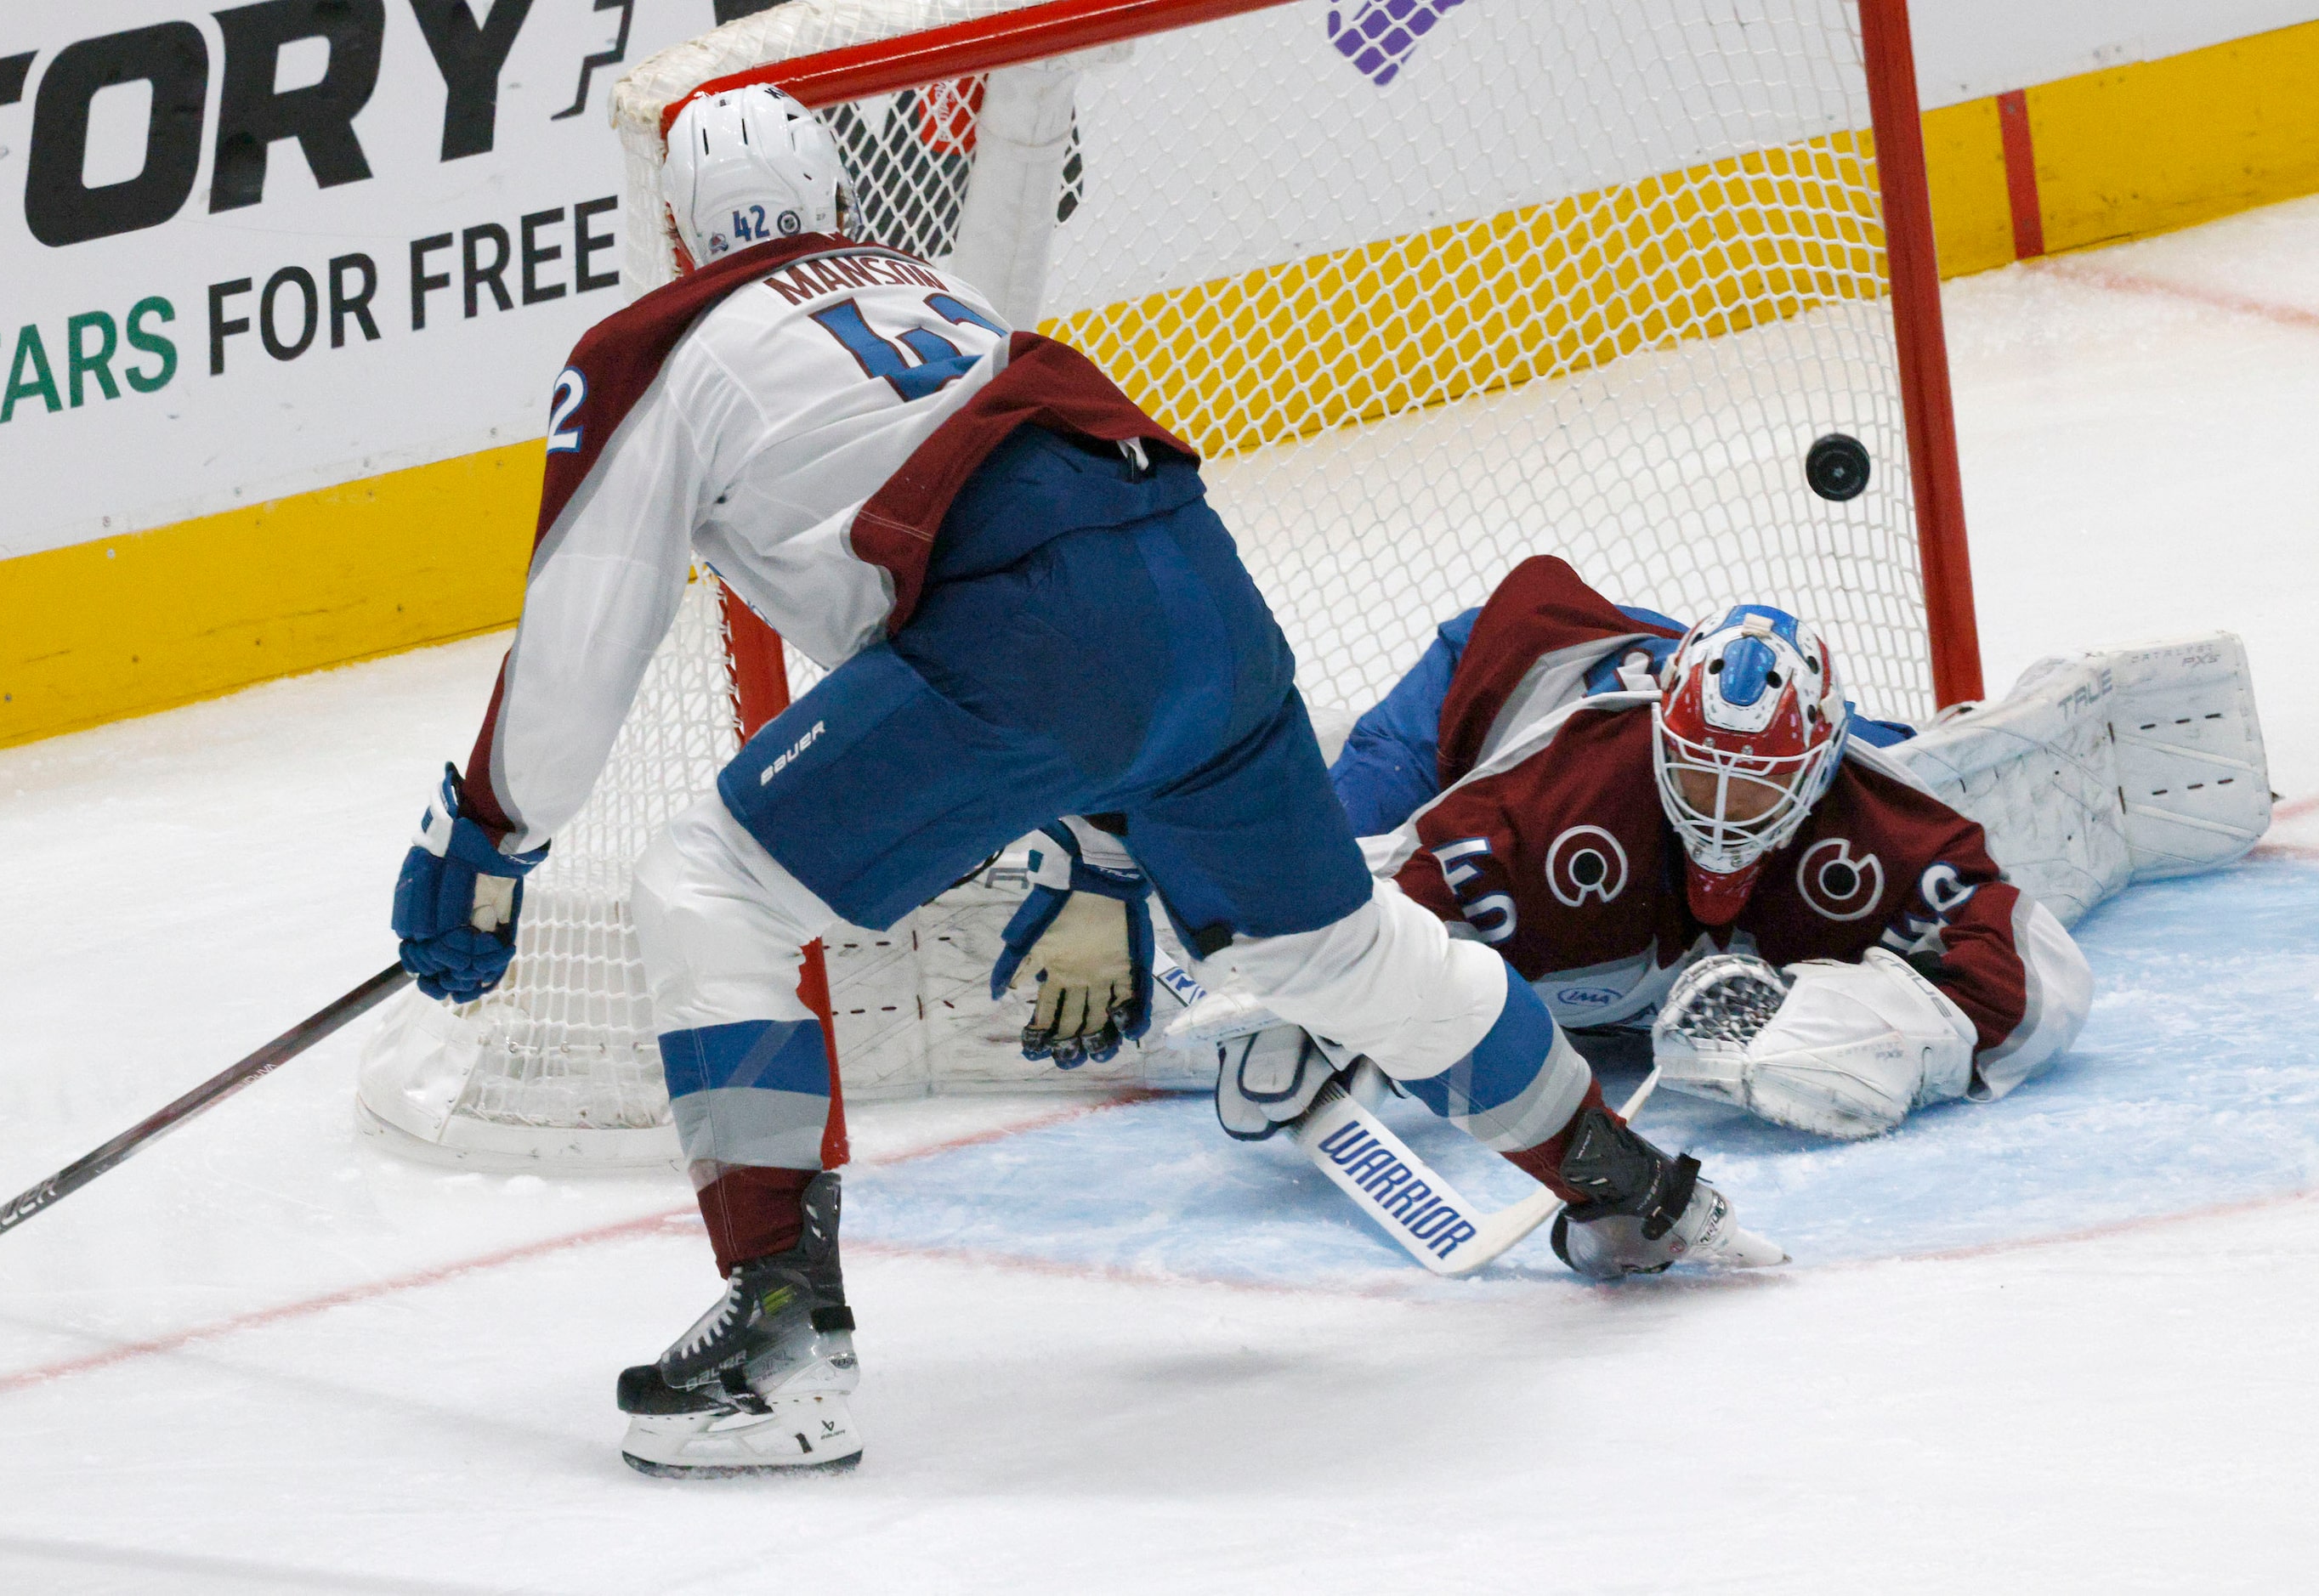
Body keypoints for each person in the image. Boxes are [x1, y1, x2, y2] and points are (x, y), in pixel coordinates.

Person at [387, 88, 1780, 1480]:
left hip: (1031, 631)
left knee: (706, 887)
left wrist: (487, 836)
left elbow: (586, 627)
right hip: (1198, 593)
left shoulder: (661, 344)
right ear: (841, 207)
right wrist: (1096, 855)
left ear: (677, 225)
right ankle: (1636, 1193)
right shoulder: (932, 288)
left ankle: (781, 1347)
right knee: (1336, 946)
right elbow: (1060, 568)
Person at [1308, 552, 2094, 1142]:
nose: (1721, 813)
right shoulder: (1561, 796)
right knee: (1331, 838)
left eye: (1757, 784)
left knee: (1904, 757)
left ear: (1820, 767)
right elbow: (1370, 909)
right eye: (1696, 772)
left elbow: (2041, 970)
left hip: (1675, 692)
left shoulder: (1858, 809)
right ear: (1658, 739)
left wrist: (1859, 1029)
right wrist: (1321, 1009)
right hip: (1488, 679)